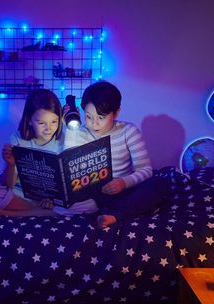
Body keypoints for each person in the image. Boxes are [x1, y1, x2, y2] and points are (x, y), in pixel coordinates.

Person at [0, 88, 98, 217]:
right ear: (30, 121)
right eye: (41, 123)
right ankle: (38, 210)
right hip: (23, 195)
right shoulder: (18, 139)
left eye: (54, 122)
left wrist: (54, 199)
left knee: (90, 204)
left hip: (55, 200)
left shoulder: (66, 139)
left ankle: (17, 212)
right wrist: (10, 164)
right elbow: (8, 185)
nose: (49, 128)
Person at [63, 81, 170, 228]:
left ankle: (114, 215)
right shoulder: (77, 133)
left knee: (160, 183)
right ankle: (126, 211)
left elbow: (146, 170)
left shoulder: (129, 131)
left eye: (101, 118)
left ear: (116, 113)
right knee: (77, 204)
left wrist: (123, 183)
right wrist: (70, 135)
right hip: (92, 195)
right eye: (88, 116)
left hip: (123, 190)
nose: (94, 124)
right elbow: (69, 174)